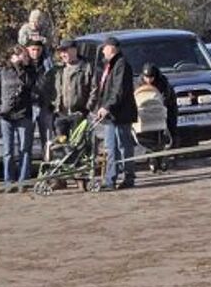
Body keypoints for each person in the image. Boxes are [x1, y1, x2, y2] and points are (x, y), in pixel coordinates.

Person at [0, 45, 35, 192]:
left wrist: (22, 68)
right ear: (15, 56)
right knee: (8, 151)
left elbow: (30, 85)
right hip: (6, 115)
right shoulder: (3, 72)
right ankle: (9, 181)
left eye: (27, 57)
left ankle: (23, 181)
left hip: (24, 114)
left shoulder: (29, 71)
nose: (26, 58)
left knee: (25, 149)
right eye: (24, 56)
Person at [96, 36, 138, 190]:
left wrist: (107, 106)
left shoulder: (122, 65)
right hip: (111, 116)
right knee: (110, 148)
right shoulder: (110, 66)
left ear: (112, 48)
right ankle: (110, 179)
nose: (103, 51)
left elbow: (118, 91)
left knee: (123, 146)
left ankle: (128, 176)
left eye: (104, 48)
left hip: (120, 114)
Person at [137, 63, 178, 172]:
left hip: (164, 107)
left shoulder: (162, 82)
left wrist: (160, 107)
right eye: (147, 77)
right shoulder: (139, 82)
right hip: (146, 110)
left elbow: (166, 97)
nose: (149, 80)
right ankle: (152, 155)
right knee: (148, 133)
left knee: (169, 127)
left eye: (151, 77)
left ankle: (167, 154)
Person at [54, 39, 97, 139]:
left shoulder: (87, 68)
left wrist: (87, 108)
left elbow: (94, 90)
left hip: (79, 115)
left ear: (74, 50)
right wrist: (54, 107)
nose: (63, 55)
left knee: (78, 146)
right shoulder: (59, 69)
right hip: (61, 115)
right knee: (62, 147)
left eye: (65, 51)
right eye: (61, 52)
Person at [26, 39, 56, 158]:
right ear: (28, 50)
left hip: (45, 105)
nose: (35, 52)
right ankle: (26, 170)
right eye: (33, 49)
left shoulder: (47, 65)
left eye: (38, 49)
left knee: (47, 140)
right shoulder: (25, 65)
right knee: (27, 140)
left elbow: (53, 84)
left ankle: (48, 166)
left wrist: (52, 101)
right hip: (29, 106)